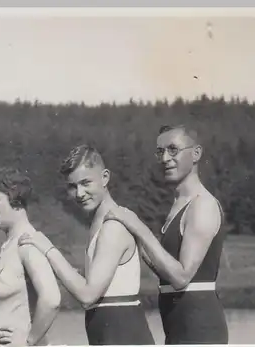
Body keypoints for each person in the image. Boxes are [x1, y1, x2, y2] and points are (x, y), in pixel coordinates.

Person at [104, 124, 229, 345]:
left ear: (196, 153)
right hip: (178, 327)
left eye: (173, 150)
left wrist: (139, 228)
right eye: (160, 151)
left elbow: (181, 277)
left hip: (200, 329)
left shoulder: (202, 205)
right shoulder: (178, 205)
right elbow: (167, 271)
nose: (164, 158)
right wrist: (133, 237)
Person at [18, 145, 155, 345]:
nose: (79, 193)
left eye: (85, 183)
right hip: (108, 328)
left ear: (105, 177)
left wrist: (48, 249)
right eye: (72, 186)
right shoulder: (99, 224)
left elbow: (88, 295)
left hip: (121, 330)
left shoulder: (113, 226)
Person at [0, 167, 61, 347]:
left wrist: (28, 341)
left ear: (15, 198)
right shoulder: (10, 244)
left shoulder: (28, 243)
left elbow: (52, 299)